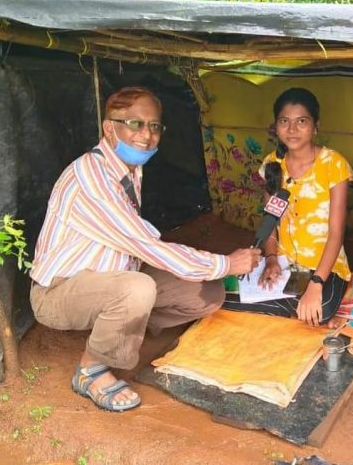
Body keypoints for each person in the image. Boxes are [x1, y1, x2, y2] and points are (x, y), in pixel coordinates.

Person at [29, 86, 260, 412]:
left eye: (154, 126)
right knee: (137, 288)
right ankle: (91, 369)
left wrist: (216, 270)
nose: (147, 135)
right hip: (60, 291)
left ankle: (127, 327)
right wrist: (226, 263)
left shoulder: (128, 168)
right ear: (109, 128)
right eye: (135, 124)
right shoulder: (90, 177)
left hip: (113, 276)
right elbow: (145, 244)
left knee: (208, 293)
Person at [223, 88, 353, 326]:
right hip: (283, 262)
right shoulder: (272, 163)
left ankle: (288, 301)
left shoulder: (333, 164)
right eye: (284, 121)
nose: (292, 129)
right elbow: (270, 221)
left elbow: (336, 233)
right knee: (222, 293)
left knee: (320, 308)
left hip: (323, 265)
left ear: (316, 126)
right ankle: (286, 302)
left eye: (301, 121)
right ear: (276, 126)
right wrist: (272, 259)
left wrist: (315, 284)